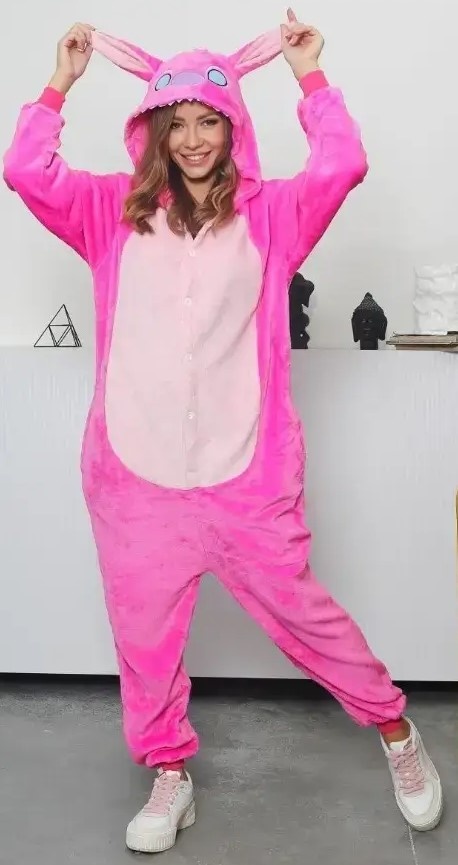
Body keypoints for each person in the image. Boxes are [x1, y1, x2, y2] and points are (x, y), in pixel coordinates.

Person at [3, 9, 443, 855]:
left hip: (246, 475)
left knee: (308, 618)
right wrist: (60, 81)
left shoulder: (274, 216)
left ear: (234, 125)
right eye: (178, 124)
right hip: (135, 478)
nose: (194, 140)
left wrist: (309, 73)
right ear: (154, 130)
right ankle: (170, 771)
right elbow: (25, 168)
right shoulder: (108, 211)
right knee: (144, 643)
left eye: (210, 121)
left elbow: (344, 161)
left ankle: (397, 731)